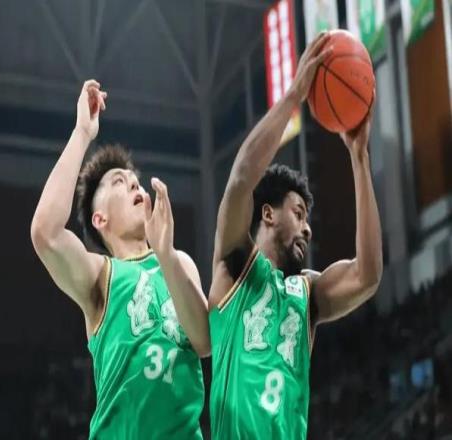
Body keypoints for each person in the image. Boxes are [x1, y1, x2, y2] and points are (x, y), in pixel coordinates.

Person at [209, 32, 383, 439]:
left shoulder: (307, 294)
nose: (307, 227)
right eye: (299, 213)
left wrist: (359, 159)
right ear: (267, 214)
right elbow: (241, 179)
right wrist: (293, 98)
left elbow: (368, 275)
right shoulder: (235, 266)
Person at [31, 79, 209, 439]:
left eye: (134, 181)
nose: (133, 184)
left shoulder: (179, 263)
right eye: (118, 182)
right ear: (100, 219)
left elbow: (204, 341)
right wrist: (82, 133)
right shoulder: (101, 275)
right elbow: (45, 233)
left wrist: (165, 254)